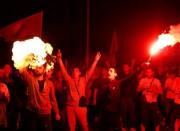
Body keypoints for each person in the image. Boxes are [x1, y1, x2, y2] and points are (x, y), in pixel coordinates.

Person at [56, 50, 101, 131]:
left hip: (80, 107)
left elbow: (90, 71)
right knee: (71, 128)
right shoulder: (69, 80)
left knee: (84, 126)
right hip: (70, 107)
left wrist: (96, 60)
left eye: (76, 71)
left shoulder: (83, 79)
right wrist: (59, 59)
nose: (74, 72)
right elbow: (63, 70)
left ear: (80, 73)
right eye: (73, 71)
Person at [18, 64, 60, 131]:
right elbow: (22, 68)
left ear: (44, 70)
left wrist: (57, 112)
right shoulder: (31, 80)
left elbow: (53, 99)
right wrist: (25, 59)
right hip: (32, 112)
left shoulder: (50, 84)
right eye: (36, 67)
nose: (37, 69)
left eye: (40, 67)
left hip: (45, 113)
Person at [120, 64, 137, 131]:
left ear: (129, 68)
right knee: (123, 112)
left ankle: (132, 126)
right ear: (123, 68)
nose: (125, 68)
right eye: (124, 67)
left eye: (127, 66)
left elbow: (135, 82)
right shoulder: (121, 76)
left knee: (132, 112)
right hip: (123, 97)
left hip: (131, 97)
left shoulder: (133, 76)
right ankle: (124, 126)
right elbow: (123, 82)